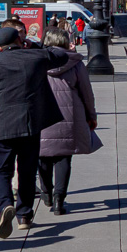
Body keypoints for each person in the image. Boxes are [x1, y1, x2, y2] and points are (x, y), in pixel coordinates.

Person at [0, 26, 69, 237]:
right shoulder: (34, 56)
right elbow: (62, 54)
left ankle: (5, 205)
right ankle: (24, 215)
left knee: (1, 170)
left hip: (1, 124)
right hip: (30, 124)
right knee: (27, 170)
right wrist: (34, 45)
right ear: (19, 41)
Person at [37, 28, 100, 217]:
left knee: (43, 156)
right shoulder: (76, 63)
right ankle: (59, 201)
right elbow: (87, 94)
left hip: (42, 115)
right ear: (65, 42)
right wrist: (92, 116)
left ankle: (46, 194)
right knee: (64, 157)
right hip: (70, 115)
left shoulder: (36, 62)